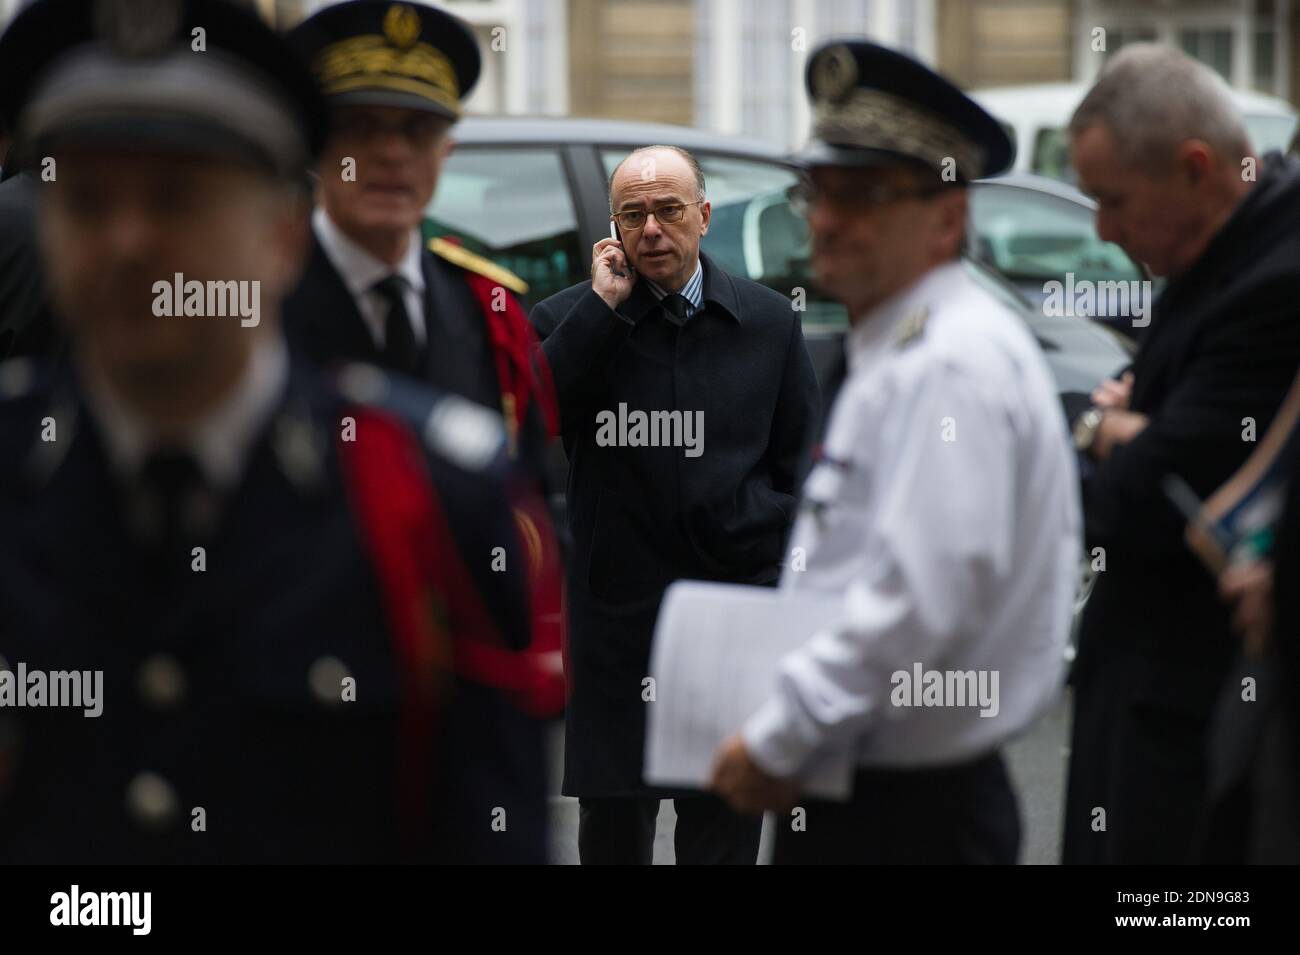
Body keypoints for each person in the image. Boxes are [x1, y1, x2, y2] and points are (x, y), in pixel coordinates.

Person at [0, 0, 545, 863]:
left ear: (283, 234)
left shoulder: (431, 502)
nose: (128, 242)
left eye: (177, 198)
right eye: (87, 200)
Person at [707, 39, 1080, 865]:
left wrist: (778, 737)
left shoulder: (947, 361)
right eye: (819, 190)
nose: (829, 218)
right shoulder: (903, 344)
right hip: (881, 793)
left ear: (947, 217)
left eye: (866, 195)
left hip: (908, 815)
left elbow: (917, 599)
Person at [529, 142, 819, 864]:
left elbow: (803, 473)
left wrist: (754, 527)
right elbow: (535, 417)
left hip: (730, 612)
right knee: (615, 828)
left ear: (705, 215)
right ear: (613, 230)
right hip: (617, 620)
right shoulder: (571, 320)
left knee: (723, 825)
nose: (652, 229)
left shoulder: (768, 322)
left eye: (669, 210)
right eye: (634, 215)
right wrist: (603, 309)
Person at [283, 0, 564, 718]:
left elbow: (535, 496)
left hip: (457, 710)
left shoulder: (488, 311)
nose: (390, 153)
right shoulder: (256, 305)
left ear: (447, 151)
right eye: (362, 127)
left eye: (416, 129)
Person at [1059, 44, 1300, 864]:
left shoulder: (1276, 275)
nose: (1101, 230)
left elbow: (1144, 498)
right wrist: (1136, 426)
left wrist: (1112, 431)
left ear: (1196, 167)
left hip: (1195, 731)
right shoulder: (1224, 246)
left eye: (1112, 201)